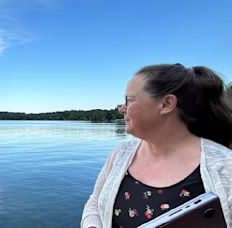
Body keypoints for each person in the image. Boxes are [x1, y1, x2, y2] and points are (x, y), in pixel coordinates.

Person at [81, 63, 232, 228]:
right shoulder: (121, 153)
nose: (121, 109)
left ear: (167, 104)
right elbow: (95, 202)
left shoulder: (226, 167)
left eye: (129, 100)